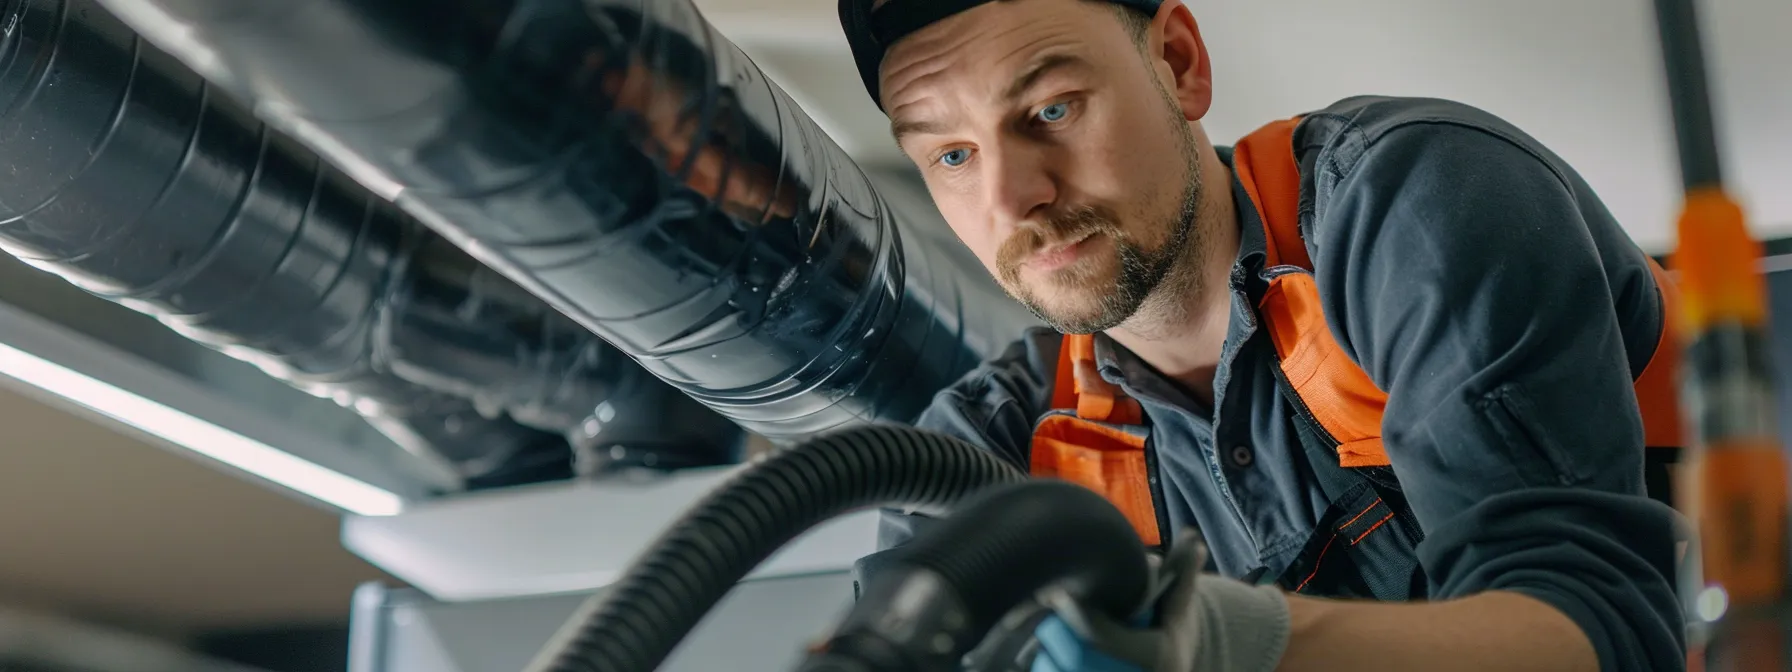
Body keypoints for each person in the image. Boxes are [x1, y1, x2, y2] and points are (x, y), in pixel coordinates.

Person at [834, 0, 1689, 670]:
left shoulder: (1411, 206)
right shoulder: (986, 454)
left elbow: (1604, 630)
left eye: (1052, 108)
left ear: (1179, 64)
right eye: (951, 156)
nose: (1012, 196)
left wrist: (1223, 645)